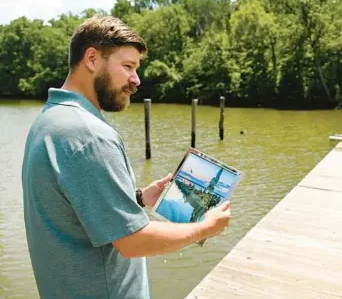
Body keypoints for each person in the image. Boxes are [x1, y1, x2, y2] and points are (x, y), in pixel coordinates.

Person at [21, 15, 231, 299]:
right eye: (128, 66)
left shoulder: (49, 121)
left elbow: (74, 206)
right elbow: (133, 242)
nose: (137, 80)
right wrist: (205, 227)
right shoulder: (90, 136)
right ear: (92, 59)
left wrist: (139, 198)